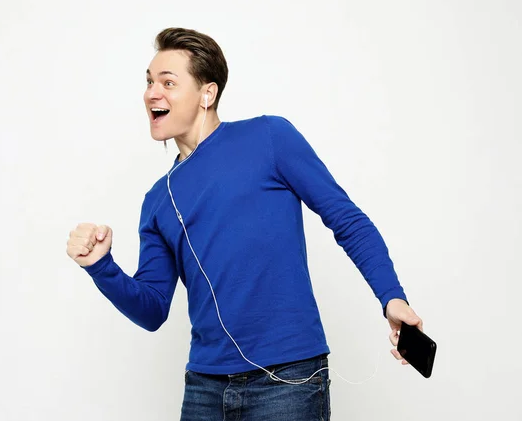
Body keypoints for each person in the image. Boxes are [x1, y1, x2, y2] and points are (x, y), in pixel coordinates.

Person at [66, 27, 424, 421]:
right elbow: (152, 310)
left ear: (207, 93)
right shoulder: (157, 201)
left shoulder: (269, 137)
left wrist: (392, 298)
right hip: (204, 387)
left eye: (168, 82)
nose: (153, 92)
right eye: (149, 81)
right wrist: (101, 267)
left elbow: (347, 221)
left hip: (289, 381)